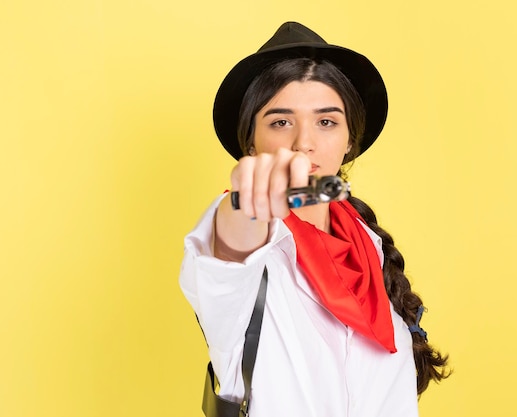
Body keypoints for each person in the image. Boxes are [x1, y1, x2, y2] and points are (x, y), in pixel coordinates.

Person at [180, 21, 450, 416]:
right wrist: (246, 201)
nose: (304, 142)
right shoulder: (244, 246)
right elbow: (227, 254)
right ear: (251, 142)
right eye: (280, 121)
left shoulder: (369, 249)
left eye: (326, 121)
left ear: (349, 140)